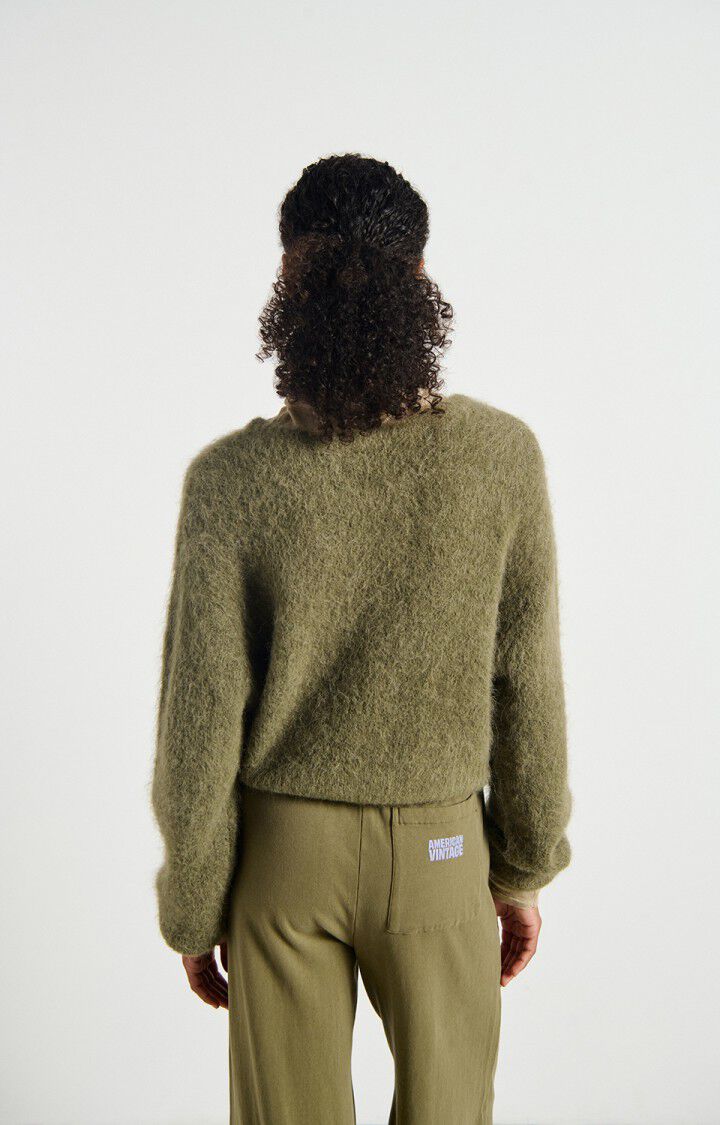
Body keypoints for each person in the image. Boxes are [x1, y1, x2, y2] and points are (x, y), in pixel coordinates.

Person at [151, 153, 571, 1124]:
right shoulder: (500, 458)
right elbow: (527, 684)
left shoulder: (231, 479)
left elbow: (200, 719)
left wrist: (194, 903)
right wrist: (520, 867)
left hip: (284, 860)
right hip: (440, 849)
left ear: (286, 285)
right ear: (421, 278)